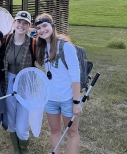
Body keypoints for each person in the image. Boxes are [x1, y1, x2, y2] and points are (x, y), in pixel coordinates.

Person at [34, 13, 82, 154]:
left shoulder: (65, 46)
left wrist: (76, 102)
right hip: (51, 99)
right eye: (39, 28)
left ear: (52, 26)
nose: (42, 30)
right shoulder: (42, 46)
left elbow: (75, 75)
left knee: (71, 133)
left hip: (68, 99)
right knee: (55, 131)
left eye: (45, 26)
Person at [4, 11, 35, 154]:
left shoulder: (33, 43)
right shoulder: (6, 40)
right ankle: (16, 149)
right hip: (8, 81)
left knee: (22, 126)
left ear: (29, 26)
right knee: (11, 117)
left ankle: (24, 148)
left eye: (25, 23)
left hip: (25, 84)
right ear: (14, 23)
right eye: (19, 22)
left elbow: (46, 57)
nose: (21, 25)